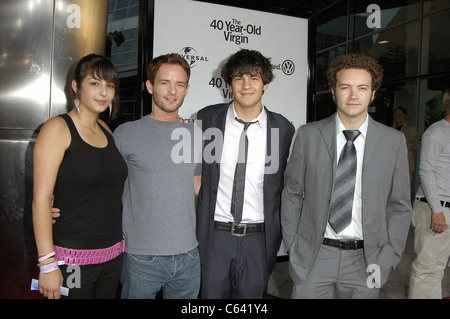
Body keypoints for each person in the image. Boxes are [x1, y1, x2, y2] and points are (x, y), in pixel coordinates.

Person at [281, 53, 412, 299]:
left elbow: (399, 206)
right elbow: (292, 193)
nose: (353, 96)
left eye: (362, 88)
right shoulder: (308, 136)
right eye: (345, 87)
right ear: (333, 92)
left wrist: (388, 257)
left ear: (373, 93)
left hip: (367, 259)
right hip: (314, 257)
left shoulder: (393, 141)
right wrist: (294, 246)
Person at [196, 49, 295, 298]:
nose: (246, 85)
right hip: (214, 235)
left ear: (266, 84)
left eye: (254, 78)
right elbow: (193, 171)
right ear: (229, 83)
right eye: (239, 78)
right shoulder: (207, 119)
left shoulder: (282, 128)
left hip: (258, 239)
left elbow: (286, 184)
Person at [32, 54, 127, 299]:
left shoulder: (106, 129)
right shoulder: (57, 128)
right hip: (72, 259)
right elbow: (41, 199)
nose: (103, 92)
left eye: (109, 85)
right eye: (95, 83)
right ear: (76, 86)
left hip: (112, 256)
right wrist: (48, 264)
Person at [114, 53, 202, 299]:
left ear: (186, 90)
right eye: (165, 83)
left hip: (189, 256)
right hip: (141, 258)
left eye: (180, 84)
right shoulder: (125, 134)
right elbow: (103, 185)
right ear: (150, 86)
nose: (172, 91)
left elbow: (198, 186)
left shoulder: (196, 135)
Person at [409, 88, 450, 299]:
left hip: (443, 207)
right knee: (428, 269)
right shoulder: (437, 132)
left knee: (438, 268)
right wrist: (437, 210)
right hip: (435, 208)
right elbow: (426, 170)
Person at [392, 106, 419, 187]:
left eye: (399, 115)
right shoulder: (391, 128)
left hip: (406, 162)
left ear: (404, 116)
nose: (397, 117)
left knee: (406, 186)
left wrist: (402, 146)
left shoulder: (411, 129)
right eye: (396, 115)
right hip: (393, 162)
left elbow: (415, 144)